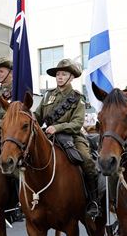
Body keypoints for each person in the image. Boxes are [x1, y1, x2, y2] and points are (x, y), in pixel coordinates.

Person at [33, 58, 100, 218]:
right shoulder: (48, 96)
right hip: (47, 136)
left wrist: (58, 127)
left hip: (72, 137)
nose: (60, 77)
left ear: (71, 77)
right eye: (58, 74)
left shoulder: (77, 97)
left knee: (87, 161)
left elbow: (77, 123)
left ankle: (93, 200)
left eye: (64, 74)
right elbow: (37, 116)